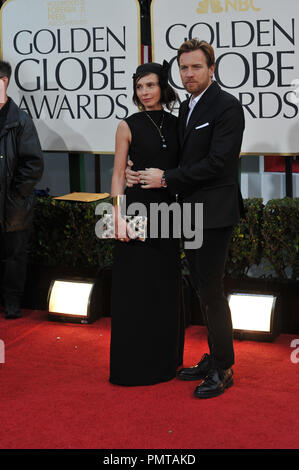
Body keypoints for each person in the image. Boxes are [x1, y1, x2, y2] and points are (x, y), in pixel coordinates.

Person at [125, 39, 245, 398]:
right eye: (183, 68)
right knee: (202, 290)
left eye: (195, 67)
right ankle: (214, 357)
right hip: (190, 212)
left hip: (214, 214)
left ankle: (223, 367)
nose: (188, 74)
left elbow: (218, 163)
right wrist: (135, 170)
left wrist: (166, 179)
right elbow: (176, 154)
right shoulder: (189, 108)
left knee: (211, 290)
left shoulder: (226, 107)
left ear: (211, 68)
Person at [109, 61, 184, 386]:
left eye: (150, 86)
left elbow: (187, 168)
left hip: (169, 213)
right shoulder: (127, 125)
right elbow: (116, 173)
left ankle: (166, 363)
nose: (145, 92)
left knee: (163, 288)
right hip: (136, 212)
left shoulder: (179, 124)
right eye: (140, 87)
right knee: (134, 290)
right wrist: (117, 216)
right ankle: (133, 366)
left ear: (163, 88)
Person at [0, 60, 44, 319]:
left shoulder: (21, 122)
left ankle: (12, 301)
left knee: (14, 256)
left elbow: (33, 163)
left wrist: (16, 196)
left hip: (13, 205)